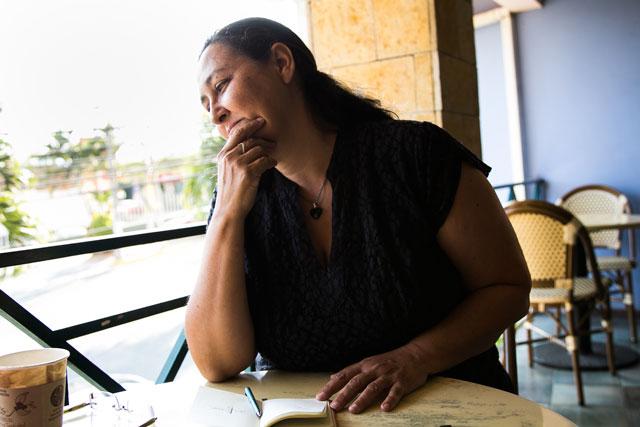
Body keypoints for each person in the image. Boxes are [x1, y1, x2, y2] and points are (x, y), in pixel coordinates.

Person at [185, 17, 531, 414]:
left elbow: (506, 288)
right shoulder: (238, 197)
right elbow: (217, 362)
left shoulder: (415, 156)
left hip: (453, 410)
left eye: (222, 85)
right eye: (207, 105)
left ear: (282, 63)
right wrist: (227, 214)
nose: (216, 114)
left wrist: (415, 358)